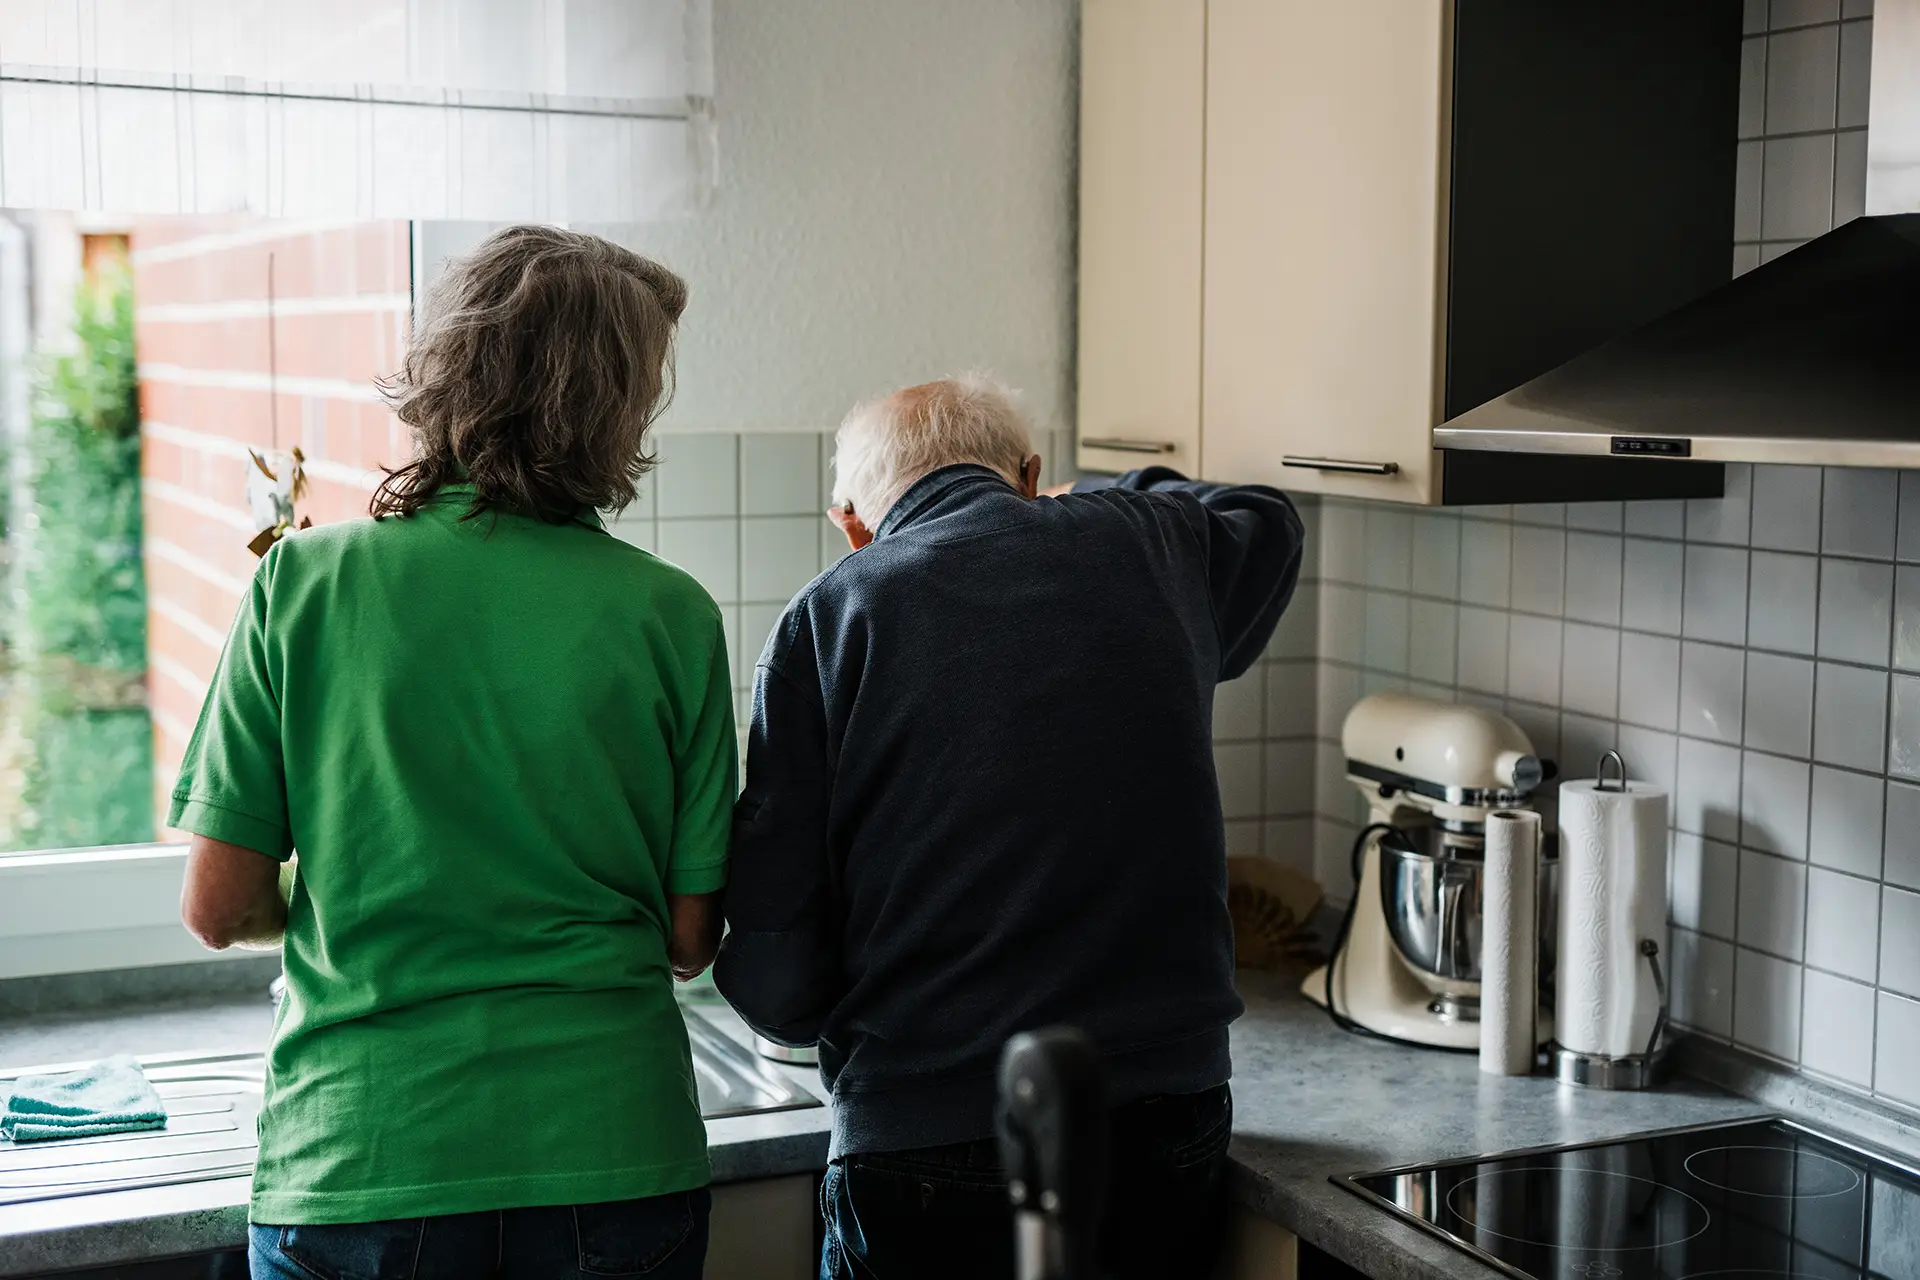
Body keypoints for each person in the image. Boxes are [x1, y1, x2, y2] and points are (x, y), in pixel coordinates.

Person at [172, 226, 733, 1280]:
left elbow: (217, 905)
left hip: (361, 1151)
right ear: (610, 409)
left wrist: (362, 884)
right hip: (612, 1154)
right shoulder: (673, 616)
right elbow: (692, 932)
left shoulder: (302, 585)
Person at [714, 374, 1304, 1280]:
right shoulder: (1151, 543)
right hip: (1165, 1115)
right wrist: (1105, 498)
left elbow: (778, 963)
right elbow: (1266, 517)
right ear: (1030, 475)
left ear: (851, 523)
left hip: (932, 1131)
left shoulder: (830, 615)